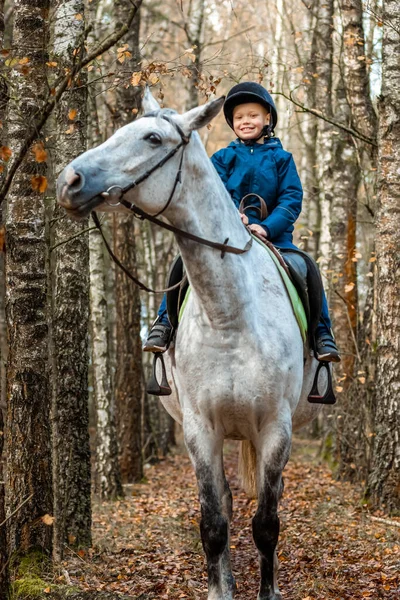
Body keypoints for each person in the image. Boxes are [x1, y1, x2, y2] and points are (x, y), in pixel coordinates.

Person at [143, 82, 340, 363]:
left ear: (267, 119)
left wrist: (267, 226)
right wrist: (233, 214)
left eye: (253, 115)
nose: (246, 121)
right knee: (182, 264)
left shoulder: (282, 159)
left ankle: (322, 335)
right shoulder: (222, 158)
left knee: (307, 267)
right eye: (239, 117)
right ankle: (164, 323)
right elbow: (213, 192)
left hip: (276, 239)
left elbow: (291, 199)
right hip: (225, 237)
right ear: (232, 123)